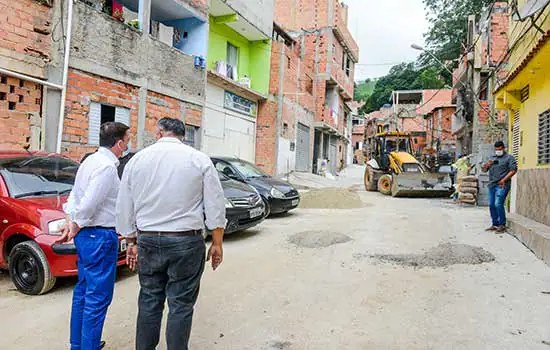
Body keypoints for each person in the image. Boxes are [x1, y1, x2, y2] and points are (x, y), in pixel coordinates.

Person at [116, 117, 226, 350]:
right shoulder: (198, 159)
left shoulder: (137, 160)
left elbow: (124, 204)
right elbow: (215, 204)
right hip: (186, 241)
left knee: (149, 299)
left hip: (147, 240)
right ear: (183, 136)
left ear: (159, 134)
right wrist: (217, 242)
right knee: (181, 304)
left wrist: (130, 241)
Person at [60, 122, 130, 350]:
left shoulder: (90, 161)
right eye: (127, 141)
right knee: (98, 298)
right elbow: (90, 203)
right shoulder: (107, 167)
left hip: (89, 237)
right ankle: (88, 346)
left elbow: (74, 196)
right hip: (99, 236)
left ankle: (78, 344)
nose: (128, 145)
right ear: (119, 144)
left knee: (83, 291)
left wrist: (71, 219)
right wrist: (76, 223)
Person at [482, 141, 517, 233]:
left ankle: (502, 225)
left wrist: (504, 180)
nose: (498, 151)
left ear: (503, 148)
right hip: (492, 185)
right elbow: (484, 170)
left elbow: (513, 170)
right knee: (491, 205)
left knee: (498, 204)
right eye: (496, 149)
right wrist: (487, 165)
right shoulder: (492, 158)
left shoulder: (509, 158)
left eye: (500, 149)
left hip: (502, 185)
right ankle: (495, 224)